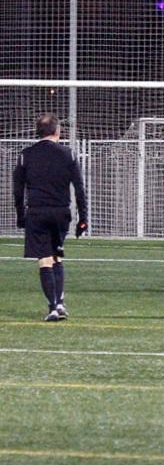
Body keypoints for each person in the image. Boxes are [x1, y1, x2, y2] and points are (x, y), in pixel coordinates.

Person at [12, 113, 88, 321]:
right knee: (57, 256)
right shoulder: (68, 154)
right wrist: (83, 218)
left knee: (44, 260)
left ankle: (53, 307)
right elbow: (79, 189)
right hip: (61, 212)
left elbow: (18, 190)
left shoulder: (25, 155)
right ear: (57, 131)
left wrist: (21, 215)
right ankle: (60, 304)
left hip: (37, 212)